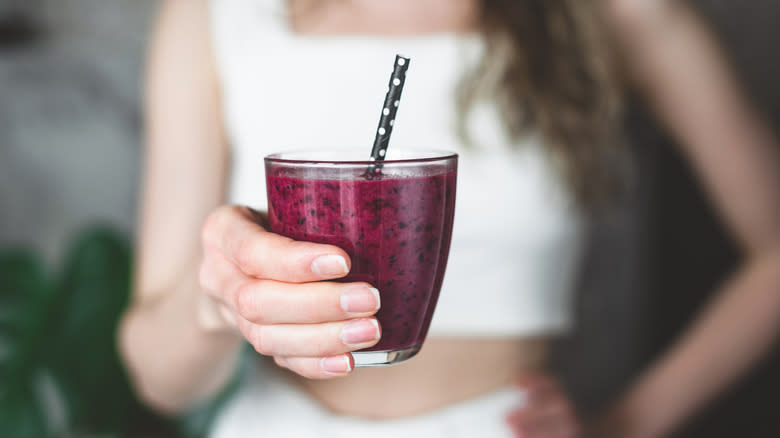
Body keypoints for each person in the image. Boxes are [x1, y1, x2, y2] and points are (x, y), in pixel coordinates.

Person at [118, 0, 780, 437]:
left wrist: (629, 423)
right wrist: (216, 301)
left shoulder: (608, 12)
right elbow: (156, 380)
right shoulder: (216, 15)